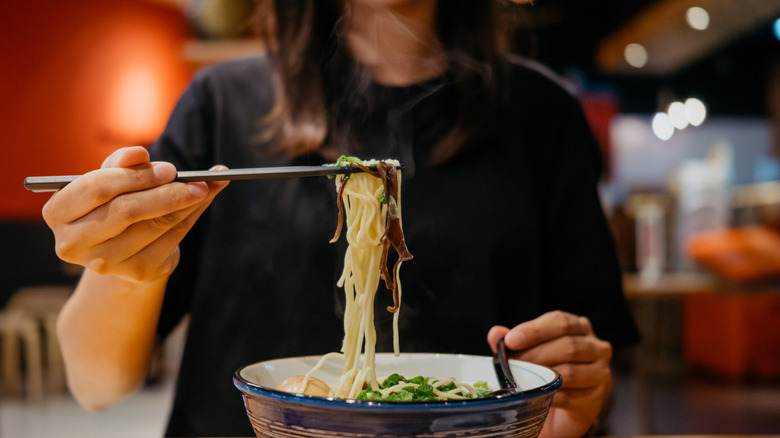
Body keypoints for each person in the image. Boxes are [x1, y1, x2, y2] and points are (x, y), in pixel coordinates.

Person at [43, 0, 640, 436]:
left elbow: (597, 368)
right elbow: (95, 383)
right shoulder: (221, 106)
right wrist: (127, 264)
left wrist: (579, 390)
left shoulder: (542, 114)